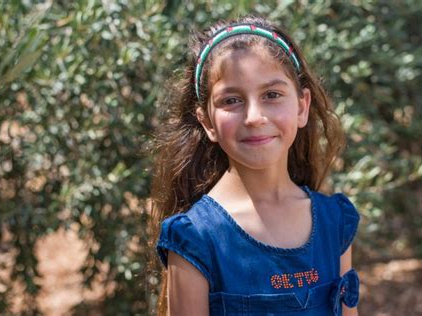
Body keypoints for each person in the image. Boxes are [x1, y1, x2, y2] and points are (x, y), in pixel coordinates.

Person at [149, 15, 360, 316]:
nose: (254, 117)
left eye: (271, 95)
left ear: (302, 106)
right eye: (231, 100)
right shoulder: (195, 238)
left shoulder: (334, 221)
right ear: (206, 121)